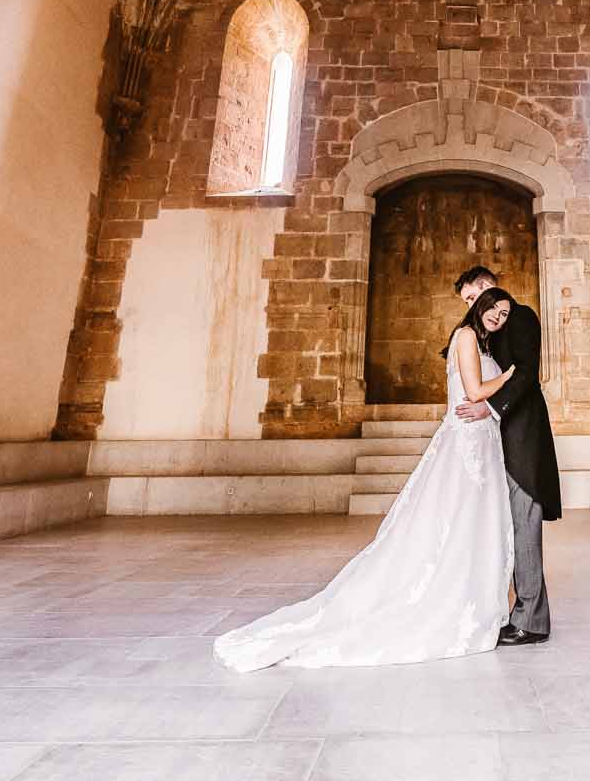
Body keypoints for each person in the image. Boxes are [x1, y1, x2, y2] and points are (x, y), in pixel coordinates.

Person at [211, 287, 523, 671]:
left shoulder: (486, 345)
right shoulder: (466, 336)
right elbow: (475, 391)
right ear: (478, 306)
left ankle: (473, 598)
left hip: (483, 445)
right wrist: (510, 375)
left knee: (476, 526)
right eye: (494, 308)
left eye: (506, 313)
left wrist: (493, 400)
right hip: (466, 447)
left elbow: (479, 398)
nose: (498, 316)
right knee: (454, 523)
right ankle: (446, 599)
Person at [452, 265, 561, 646]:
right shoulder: (485, 331)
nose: (470, 306)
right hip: (498, 444)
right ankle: (518, 612)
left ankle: (531, 621)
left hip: (524, 441)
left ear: (487, 287)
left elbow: (528, 374)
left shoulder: (522, 316)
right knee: (512, 530)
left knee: (525, 529)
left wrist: (491, 408)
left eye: (470, 297)